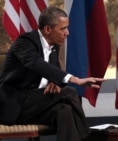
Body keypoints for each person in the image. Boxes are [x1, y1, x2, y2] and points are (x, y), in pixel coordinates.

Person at [0, 6, 104, 141]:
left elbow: (52, 71)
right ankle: (89, 138)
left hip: (35, 105)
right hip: (13, 105)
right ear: (48, 29)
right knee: (70, 92)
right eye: (63, 28)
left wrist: (53, 81)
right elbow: (37, 64)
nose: (67, 33)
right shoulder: (25, 43)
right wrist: (75, 80)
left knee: (64, 111)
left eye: (67, 28)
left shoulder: (54, 46)